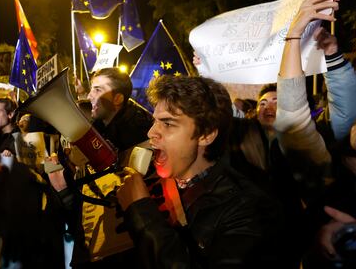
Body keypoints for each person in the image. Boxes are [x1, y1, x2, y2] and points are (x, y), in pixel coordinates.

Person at [116, 75, 288, 268]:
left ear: (206, 135)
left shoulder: (251, 210)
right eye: (155, 121)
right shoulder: (149, 181)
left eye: (168, 123)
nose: (151, 133)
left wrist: (141, 213)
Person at [48, 67, 153, 267]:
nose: (89, 95)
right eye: (91, 89)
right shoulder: (98, 127)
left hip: (118, 246)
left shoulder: (139, 131)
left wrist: (65, 190)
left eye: (98, 89)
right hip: (94, 237)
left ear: (117, 99)